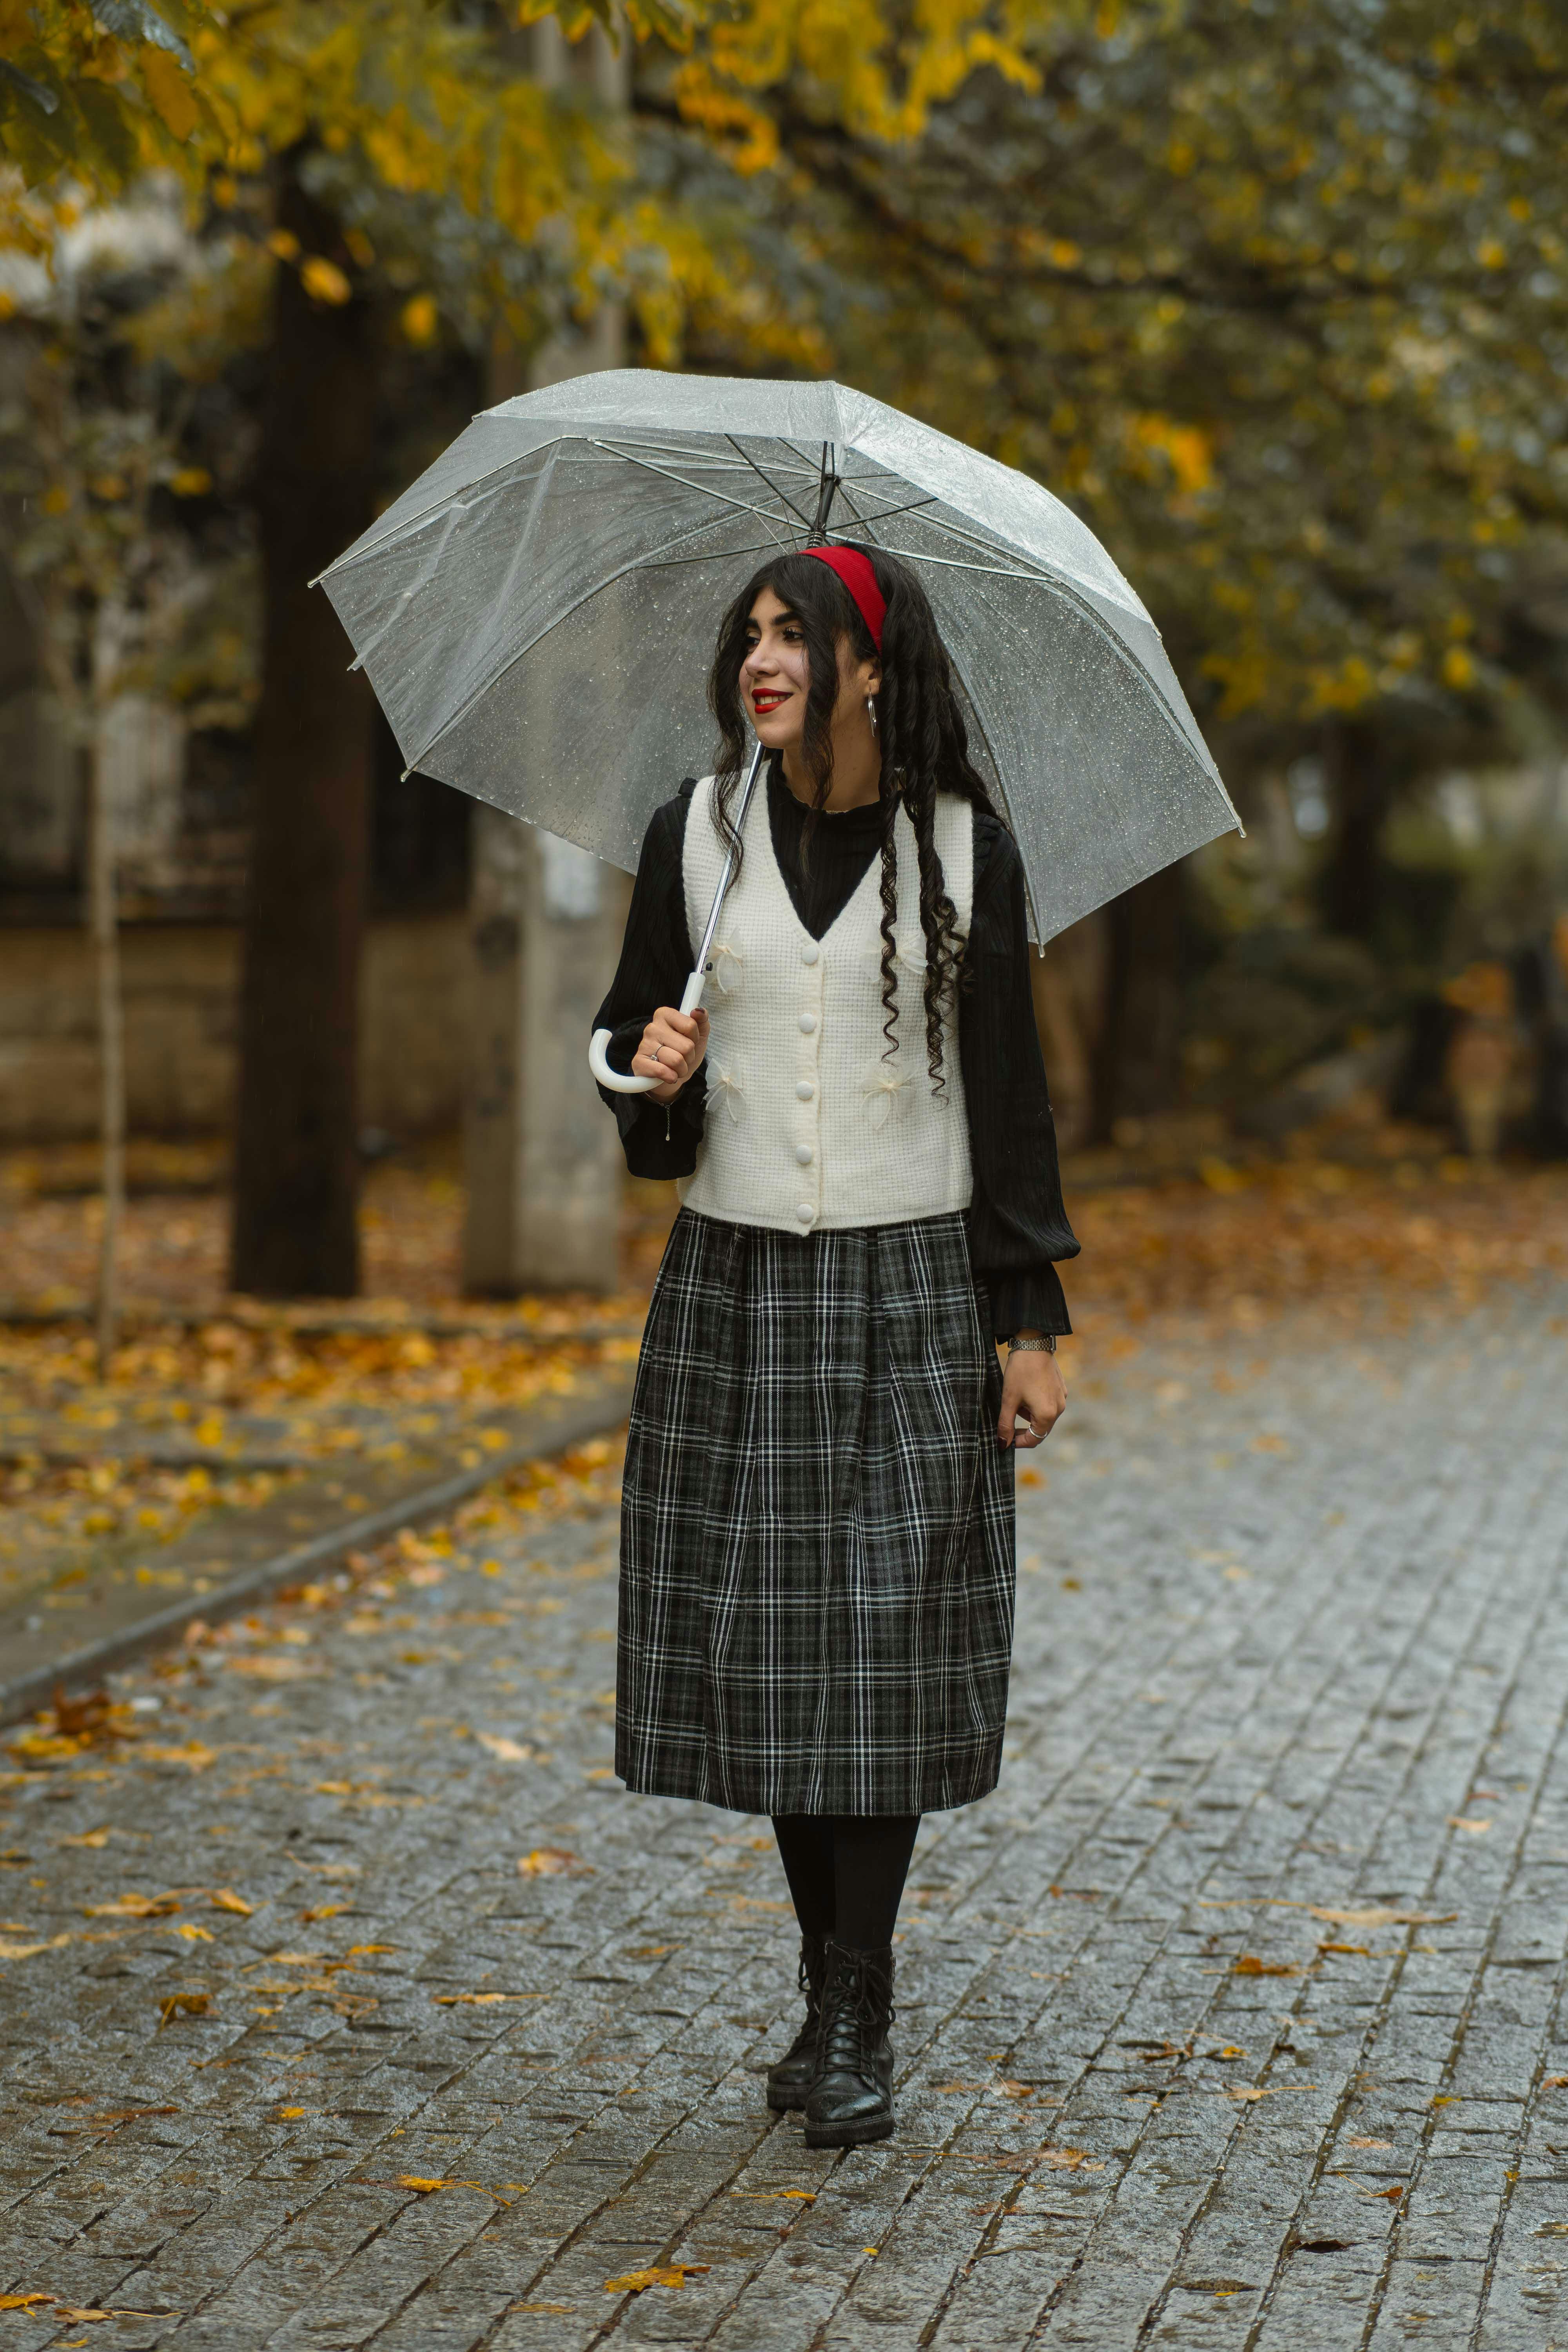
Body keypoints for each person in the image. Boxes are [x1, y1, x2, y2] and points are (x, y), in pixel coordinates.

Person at [591, 542, 1079, 2149]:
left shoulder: (966, 848)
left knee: (879, 1648)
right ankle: (831, 1988)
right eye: (751, 632)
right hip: (736, 1286)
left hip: (912, 1286)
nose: (764, 658)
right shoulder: (696, 832)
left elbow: (1009, 1095)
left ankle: (857, 2004)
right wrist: (650, 1069)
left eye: (796, 634)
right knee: (787, 1653)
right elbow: (628, 1053)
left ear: (872, 666)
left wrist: (1029, 1316)